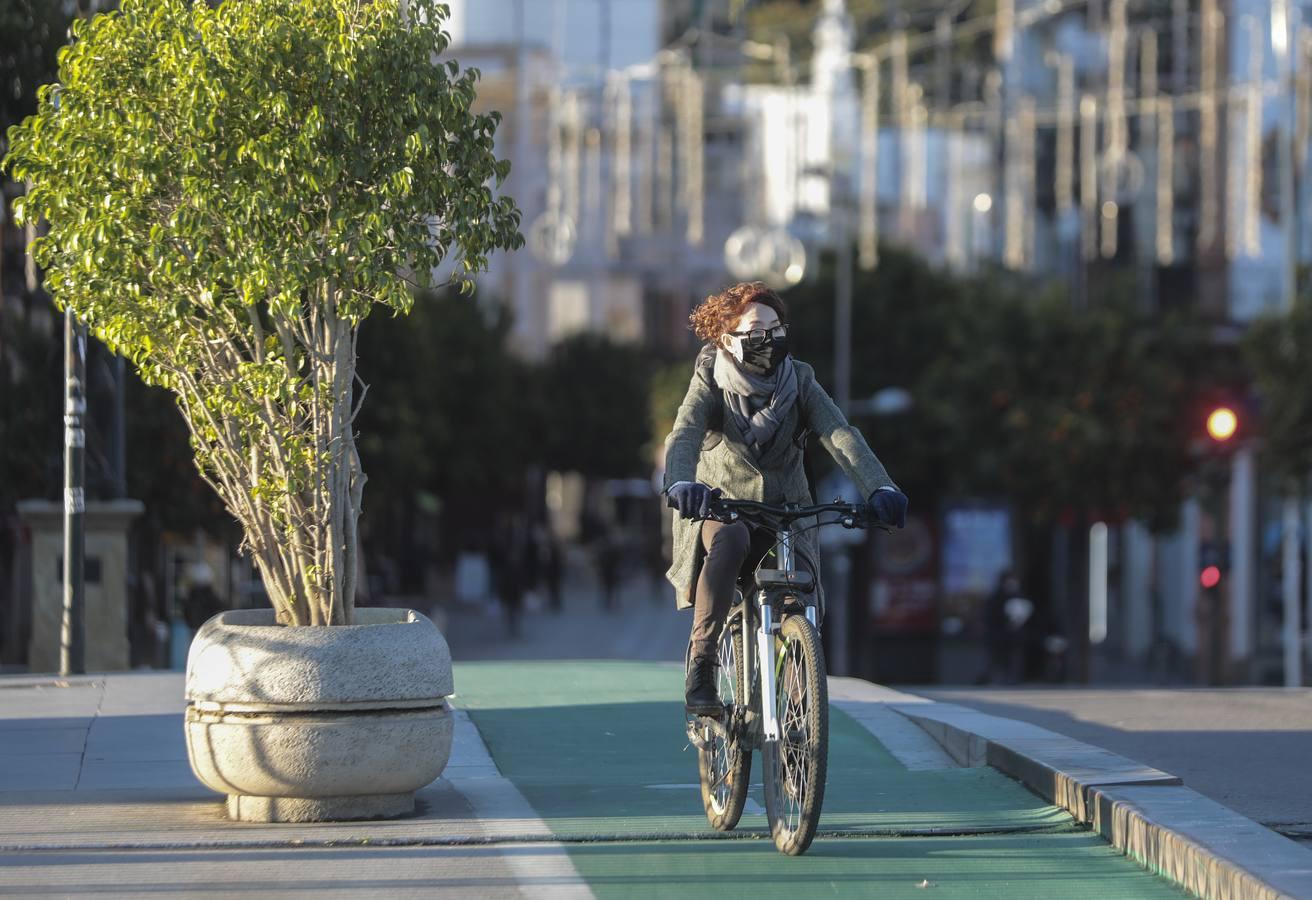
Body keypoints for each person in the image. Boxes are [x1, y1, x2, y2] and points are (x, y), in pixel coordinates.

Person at [662, 282, 908, 715]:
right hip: (723, 507)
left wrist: (880, 487)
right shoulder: (709, 379)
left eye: (776, 329)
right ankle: (702, 661)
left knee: (800, 593)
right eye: (756, 331)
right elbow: (684, 434)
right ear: (727, 339)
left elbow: (841, 435)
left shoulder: (802, 380)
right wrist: (681, 483)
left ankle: (799, 704)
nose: (769, 340)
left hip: (787, 514)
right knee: (732, 540)